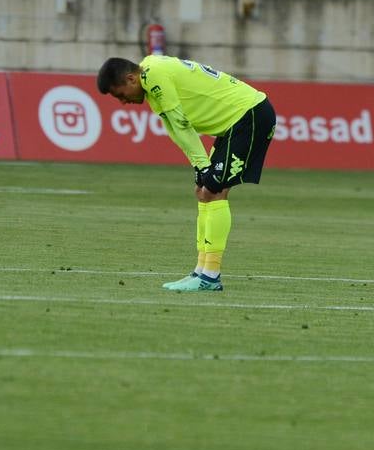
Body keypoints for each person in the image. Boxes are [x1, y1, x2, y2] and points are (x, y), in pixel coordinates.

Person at [96, 55, 276, 291]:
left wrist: (203, 166)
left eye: (120, 94)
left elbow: (181, 123)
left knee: (215, 190)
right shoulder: (150, 80)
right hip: (235, 123)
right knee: (204, 192)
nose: (122, 102)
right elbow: (174, 128)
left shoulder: (154, 75)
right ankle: (201, 271)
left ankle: (210, 277)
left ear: (131, 79)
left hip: (250, 115)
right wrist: (199, 166)